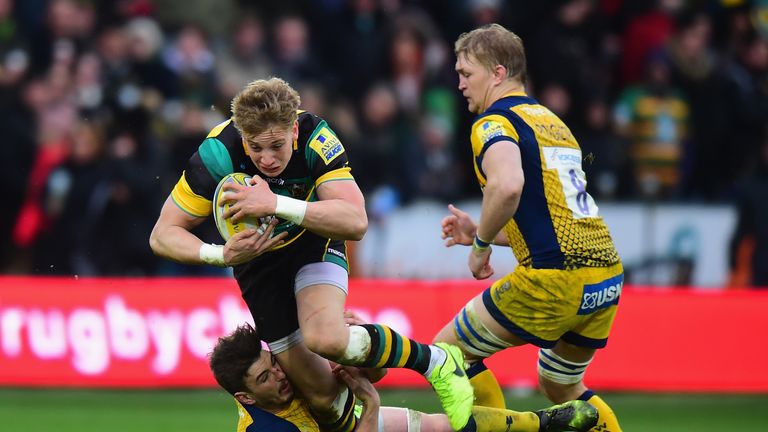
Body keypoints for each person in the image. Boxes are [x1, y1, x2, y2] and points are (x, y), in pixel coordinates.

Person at [149, 77, 472, 431]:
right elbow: (163, 235)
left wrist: (276, 203)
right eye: (256, 148)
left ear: (293, 132)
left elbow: (356, 220)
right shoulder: (218, 153)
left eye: (276, 146)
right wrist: (220, 255)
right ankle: (446, 423)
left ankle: (435, 361)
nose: (267, 159)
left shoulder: (317, 138)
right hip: (254, 265)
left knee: (326, 339)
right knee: (323, 398)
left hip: (311, 241)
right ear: (242, 136)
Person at [436, 24, 624, 432]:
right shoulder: (551, 122)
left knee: (446, 354)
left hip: (555, 279)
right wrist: (478, 229)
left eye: (467, 73)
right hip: (605, 277)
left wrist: (481, 246)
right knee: (560, 384)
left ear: (498, 73)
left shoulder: (493, 122)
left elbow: (507, 186)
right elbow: (549, 215)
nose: (460, 83)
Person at [208, 321, 599, 432]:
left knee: (442, 427)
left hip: (347, 422)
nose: (279, 375)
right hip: (354, 423)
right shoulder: (267, 430)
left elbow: (374, 373)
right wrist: (371, 404)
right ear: (246, 398)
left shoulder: (296, 360)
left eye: (272, 363)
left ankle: (542, 423)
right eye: (264, 378)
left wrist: (356, 348)